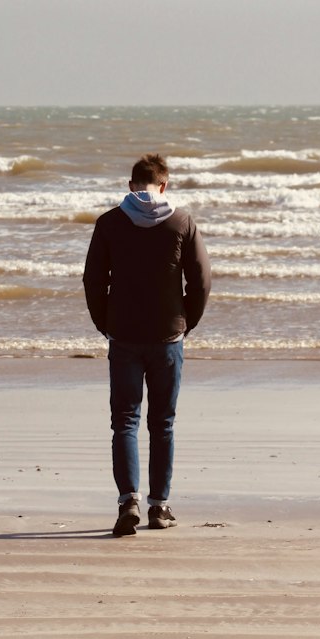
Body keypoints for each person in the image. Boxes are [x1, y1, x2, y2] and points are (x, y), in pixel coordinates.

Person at [83, 153, 211, 536]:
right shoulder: (181, 221)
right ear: (164, 185)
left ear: (131, 186)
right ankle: (159, 506)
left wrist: (105, 325)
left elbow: (93, 280)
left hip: (124, 335)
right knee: (163, 423)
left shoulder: (109, 222)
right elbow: (201, 281)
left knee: (124, 422)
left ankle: (128, 502)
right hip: (167, 337)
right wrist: (186, 323)